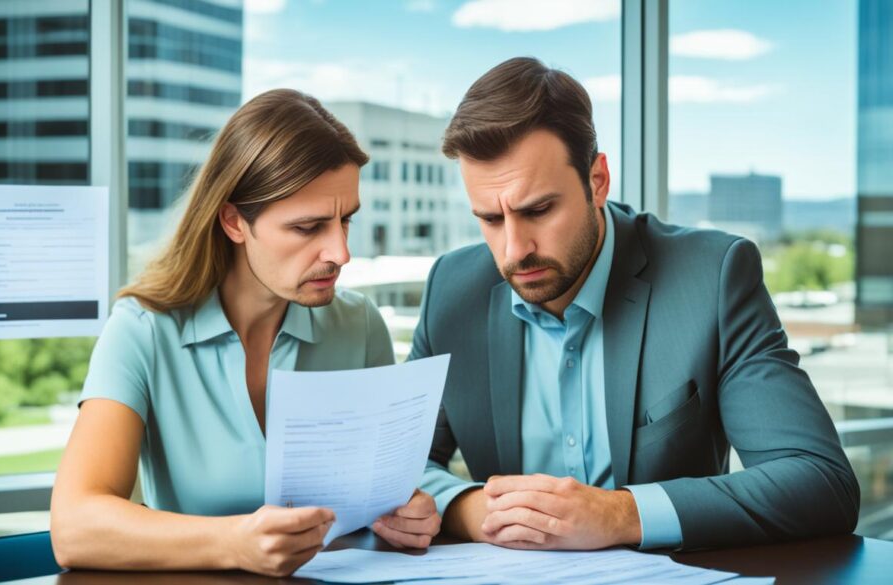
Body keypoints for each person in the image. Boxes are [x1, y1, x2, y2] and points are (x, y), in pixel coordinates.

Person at [415, 57, 859, 551]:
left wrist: (619, 513)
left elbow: (820, 483)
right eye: (490, 220)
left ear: (597, 181)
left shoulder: (712, 277)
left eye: (538, 210)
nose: (514, 249)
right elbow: (395, 466)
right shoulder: (452, 291)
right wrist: (468, 507)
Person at [51, 89, 440, 577]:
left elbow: (387, 494)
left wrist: (409, 514)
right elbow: (74, 527)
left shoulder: (360, 325)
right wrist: (234, 544)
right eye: (308, 227)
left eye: (346, 221)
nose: (341, 253)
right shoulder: (142, 331)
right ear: (234, 221)